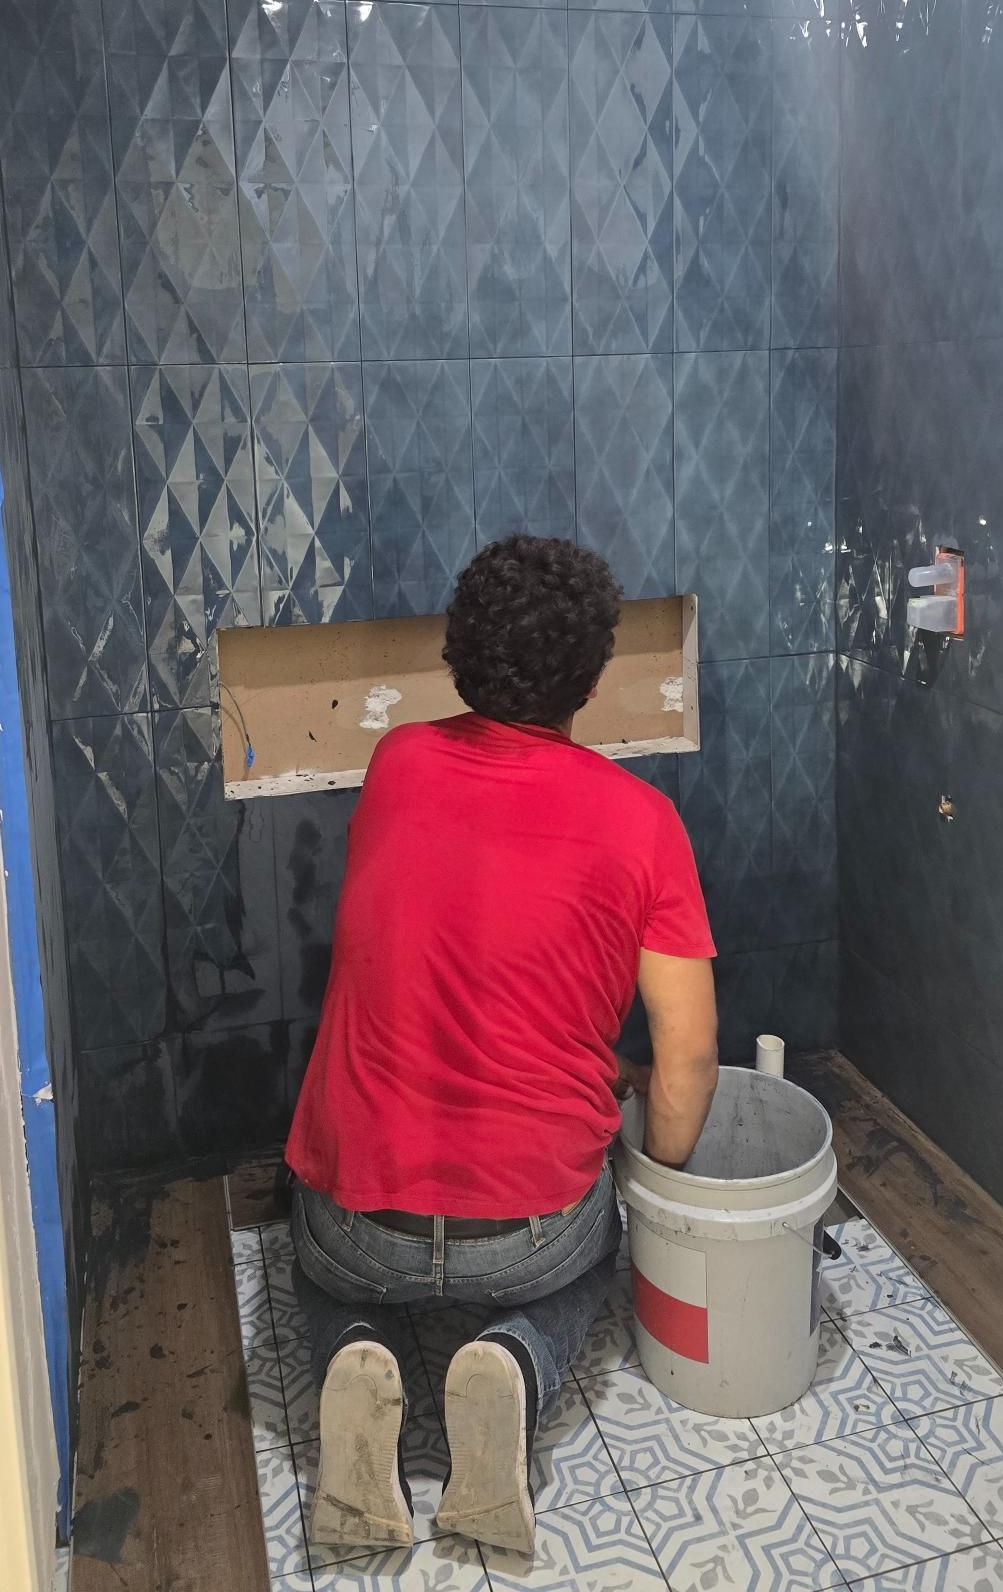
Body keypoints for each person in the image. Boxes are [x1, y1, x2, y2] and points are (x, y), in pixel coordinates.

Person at [284, 534, 719, 1558]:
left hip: (361, 1220)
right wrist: (653, 1192)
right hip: (531, 1232)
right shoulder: (645, 822)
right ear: (595, 672)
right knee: (588, 1257)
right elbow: (689, 1059)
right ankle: (512, 1360)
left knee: (312, 1259)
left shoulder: (395, 763)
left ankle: (355, 1349)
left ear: (458, 654)